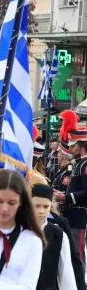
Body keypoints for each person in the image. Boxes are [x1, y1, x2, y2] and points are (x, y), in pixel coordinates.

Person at [58, 110, 87, 262]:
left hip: (79, 215)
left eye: (73, 144)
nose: (70, 148)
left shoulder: (85, 164)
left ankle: (81, 285)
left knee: (78, 255)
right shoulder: (80, 163)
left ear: (81, 145)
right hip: (71, 214)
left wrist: (65, 197)